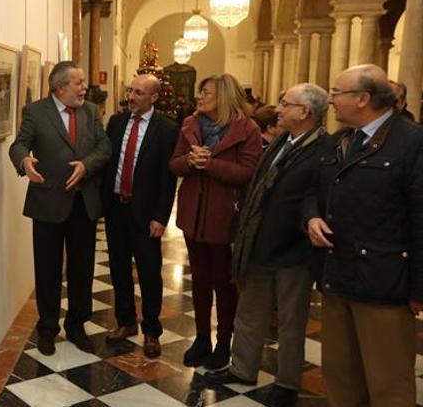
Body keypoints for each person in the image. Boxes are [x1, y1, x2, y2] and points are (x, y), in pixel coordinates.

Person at [304, 64, 422, 407]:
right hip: (337, 276)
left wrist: (419, 288)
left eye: (337, 93)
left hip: (383, 284)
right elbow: (313, 190)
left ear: (363, 98)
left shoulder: (411, 143)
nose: (331, 101)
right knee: (340, 375)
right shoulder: (340, 141)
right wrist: (311, 217)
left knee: (387, 382)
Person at [206, 83, 329, 407]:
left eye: (285, 104)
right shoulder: (282, 142)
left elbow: (316, 198)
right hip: (260, 244)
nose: (278, 109)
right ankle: (242, 368)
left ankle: (287, 383)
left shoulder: (323, 150)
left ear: (305, 112)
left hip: (294, 251)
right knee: (250, 312)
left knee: (290, 321)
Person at [8, 61, 111, 356]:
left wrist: (86, 165)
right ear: (60, 87)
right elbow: (19, 145)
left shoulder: (91, 111)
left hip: (84, 203)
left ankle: (77, 326)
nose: (84, 88)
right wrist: (25, 162)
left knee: (82, 268)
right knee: (48, 269)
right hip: (48, 202)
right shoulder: (36, 112)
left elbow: (104, 147)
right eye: (78, 83)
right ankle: (48, 328)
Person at [168, 73, 262, 369]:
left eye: (205, 92)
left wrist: (209, 164)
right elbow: (175, 164)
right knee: (199, 280)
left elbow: (249, 172)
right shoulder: (190, 125)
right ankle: (200, 339)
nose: (199, 97)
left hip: (225, 216)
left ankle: (223, 342)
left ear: (222, 95)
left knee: (224, 281)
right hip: (193, 214)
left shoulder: (248, 129)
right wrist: (189, 162)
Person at [101, 74, 178, 358]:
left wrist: (161, 216)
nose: (131, 97)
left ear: (154, 98)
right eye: (130, 91)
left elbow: (168, 179)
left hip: (146, 214)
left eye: (139, 93)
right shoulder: (117, 123)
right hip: (116, 208)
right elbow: (109, 163)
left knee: (148, 272)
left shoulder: (167, 129)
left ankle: (151, 331)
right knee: (119, 269)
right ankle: (125, 322)